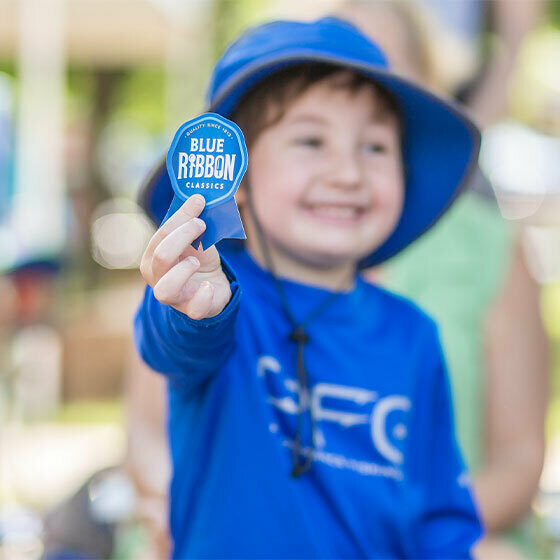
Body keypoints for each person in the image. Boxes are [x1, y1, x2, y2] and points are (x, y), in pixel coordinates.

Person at [134, 17, 484, 558]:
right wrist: (190, 309)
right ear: (236, 182)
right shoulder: (219, 303)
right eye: (311, 141)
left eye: (375, 147)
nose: (347, 172)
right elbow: (172, 344)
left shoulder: (413, 336)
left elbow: (440, 515)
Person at [337, 3, 549, 558]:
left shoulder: (484, 247)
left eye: (384, 70)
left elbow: (520, 460)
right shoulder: (256, 250)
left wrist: (393, 533)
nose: (361, 95)